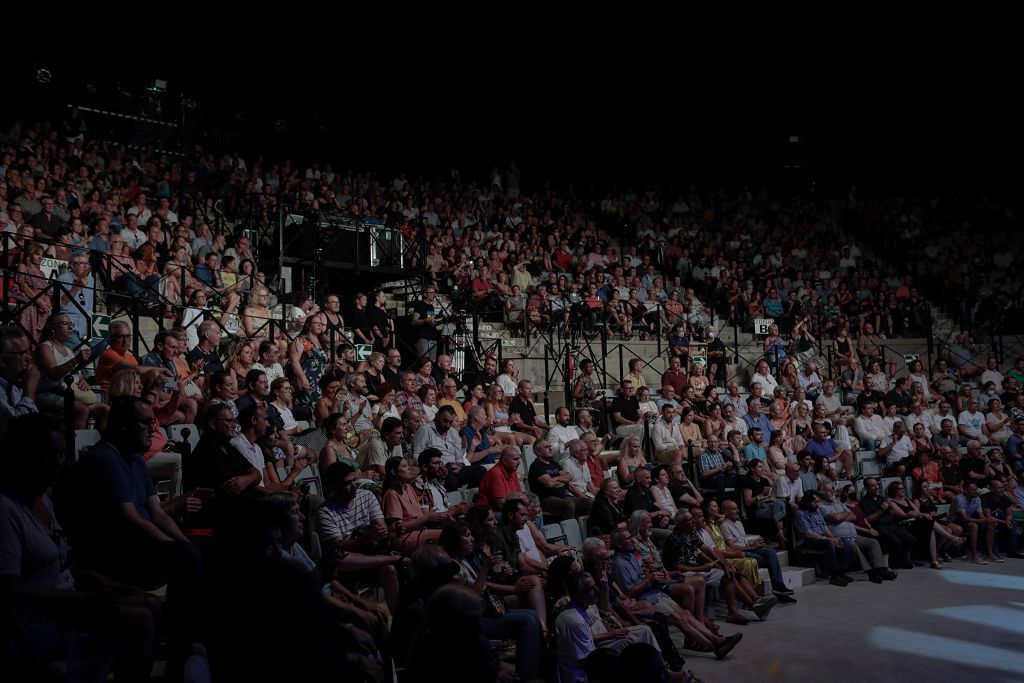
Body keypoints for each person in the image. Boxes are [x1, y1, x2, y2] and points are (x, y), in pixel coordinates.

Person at [0, 413, 163, 681]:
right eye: (48, 456)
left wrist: (105, 583)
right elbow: (9, 590)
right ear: (25, 457)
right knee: (141, 619)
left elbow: (59, 565)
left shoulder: (43, 500)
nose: (58, 464)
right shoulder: (7, 510)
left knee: (152, 604)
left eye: (62, 454)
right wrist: (82, 600)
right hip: (38, 619)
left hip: (67, 599)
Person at [64, 396, 202, 679]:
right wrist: (173, 548)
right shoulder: (105, 458)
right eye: (144, 422)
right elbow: (132, 519)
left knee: (200, 549)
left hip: (137, 542)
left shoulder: (135, 458)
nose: (152, 428)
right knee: (186, 558)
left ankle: (195, 639)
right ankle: (180, 651)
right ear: (123, 426)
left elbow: (158, 513)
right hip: (116, 550)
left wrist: (184, 543)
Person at [316, 462, 403, 613]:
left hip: (373, 552)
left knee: (389, 570)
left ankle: (398, 621)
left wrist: (386, 532)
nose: (354, 486)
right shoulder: (325, 512)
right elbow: (339, 547)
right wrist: (366, 539)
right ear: (334, 486)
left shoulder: (367, 496)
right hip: (351, 561)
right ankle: (396, 559)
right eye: (347, 483)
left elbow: (380, 527)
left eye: (353, 481)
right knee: (341, 558)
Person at [718, 499, 797, 599]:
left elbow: (743, 540)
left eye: (737, 508)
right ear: (725, 512)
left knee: (771, 553)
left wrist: (755, 543)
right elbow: (731, 546)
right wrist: (751, 547)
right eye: (734, 509)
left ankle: (779, 586)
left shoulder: (738, 522)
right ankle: (771, 591)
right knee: (761, 559)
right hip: (739, 552)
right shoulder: (725, 525)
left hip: (748, 548)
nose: (738, 510)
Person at [794, 491, 855, 586]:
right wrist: (830, 540)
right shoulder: (800, 513)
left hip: (821, 539)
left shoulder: (816, 510)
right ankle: (834, 576)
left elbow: (824, 527)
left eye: (818, 502)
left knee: (844, 541)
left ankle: (841, 572)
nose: (818, 504)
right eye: (816, 502)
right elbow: (808, 534)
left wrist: (834, 538)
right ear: (808, 502)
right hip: (807, 541)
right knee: (829, 543)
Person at [859, 477, 918, 569]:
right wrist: (881, 510)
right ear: (867, 488)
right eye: (873, 485)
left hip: (890, 524)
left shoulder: (881, 498)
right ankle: (895, 561)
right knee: (896, 541)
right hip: (878, 526)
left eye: (877, 484)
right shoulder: (863, 501)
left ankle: (899, 559)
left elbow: (890, 514)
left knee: (911, 539)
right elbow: (868, 520)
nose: (876, 487)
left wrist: (890, 510)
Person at [528, 439, 593, 521]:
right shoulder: (536, 466)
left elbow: (569, 476)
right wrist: (562, 481)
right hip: (546, 499)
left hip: (563, 496)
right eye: (546, 447)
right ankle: (570, 530)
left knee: (589, 503)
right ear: (538, 452)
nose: (550, 449)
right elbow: (549, 484)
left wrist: (555, 479)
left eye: (550, 446)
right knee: (569, 505)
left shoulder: (553, 463)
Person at [477, 446, 524, 510]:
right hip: (487, 513)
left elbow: (520, 495)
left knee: (535, 510)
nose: (519, 462)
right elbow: (502, 505)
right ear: (504, 461)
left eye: (519, 459)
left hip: (507, 509)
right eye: (515, 459)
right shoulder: (495, 473)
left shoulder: (512, 472)